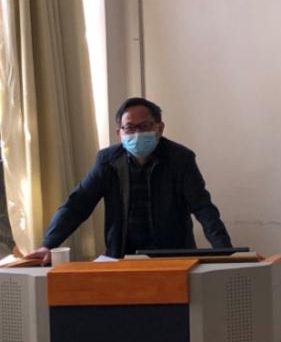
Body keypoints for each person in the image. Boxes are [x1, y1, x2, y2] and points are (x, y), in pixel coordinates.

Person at [26, 97, 231, 262]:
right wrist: (48, 244)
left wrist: (225, 253)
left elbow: (203, 208)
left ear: (159, 128)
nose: (137, 133)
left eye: (144, 126)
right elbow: (77, 204)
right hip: (122, 258)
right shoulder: (107, 161)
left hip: (173, 258)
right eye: (130, 128)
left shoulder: (181, 159)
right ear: (119, 133)